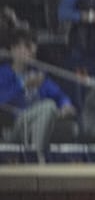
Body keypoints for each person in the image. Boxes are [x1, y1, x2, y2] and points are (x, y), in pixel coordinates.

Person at [0, 27, 77, 163]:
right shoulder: (3, 73)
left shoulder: (37, 73)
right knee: (48, 106)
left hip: (37, 124)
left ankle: (35, 157)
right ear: (14, 48)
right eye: (28, 46)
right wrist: (23, 86)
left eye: (34, 47)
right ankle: (37, 157)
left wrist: (66, 105)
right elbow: (2, 101)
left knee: (61, 119)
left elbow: (60, 95)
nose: (33, 51)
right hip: (13, 125)